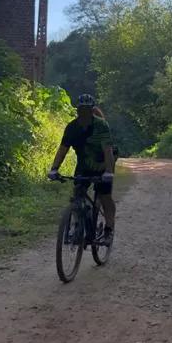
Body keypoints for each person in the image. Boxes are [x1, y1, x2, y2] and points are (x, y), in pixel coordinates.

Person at [48, 93, 117, 243]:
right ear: (77, 110)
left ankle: (108, 230)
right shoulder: (72, 128)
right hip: (83, 165)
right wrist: (54, 169)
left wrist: (109, 172)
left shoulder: (101, 126)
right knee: (78, 193)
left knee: (105, 196)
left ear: (92, 110)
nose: (84, 112)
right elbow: (62, 149)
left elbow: (108, 150)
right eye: (81, 109)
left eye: (87, 109)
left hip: (103, 164)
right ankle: (77, 226)